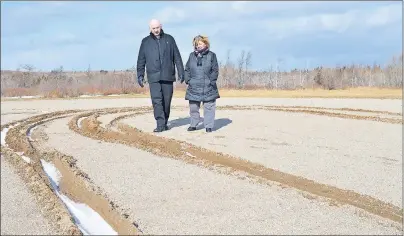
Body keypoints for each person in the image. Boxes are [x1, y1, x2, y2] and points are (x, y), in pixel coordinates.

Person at [136, 19, 185, 132]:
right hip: (153, 77)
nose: (156, 30)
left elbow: (177, 56)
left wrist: (181, 72)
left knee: (166, 101)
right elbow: (141, 60)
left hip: (167, 75)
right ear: (150, 29)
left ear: (161, 26)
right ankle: (160, 124)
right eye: (153, 28)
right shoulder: (145, 42)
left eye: (157, 28)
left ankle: (164, 122)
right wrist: (140, 75)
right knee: (157, 100)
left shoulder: (169, 39)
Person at [184, 35, 220, 133]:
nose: (198, 45)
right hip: (193, 86)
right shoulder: (191, 56)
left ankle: (208, 125)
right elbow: (187, 69)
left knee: (209, 107)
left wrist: (211, 81)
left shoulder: (212, 55)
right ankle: (193, 124)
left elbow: (215, 70)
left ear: (205, 43)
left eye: (200, 43)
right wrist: (188, 80)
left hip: (208, 86)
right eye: (196, 44)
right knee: (193, 108)